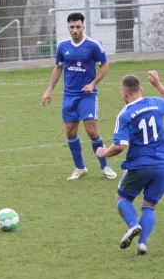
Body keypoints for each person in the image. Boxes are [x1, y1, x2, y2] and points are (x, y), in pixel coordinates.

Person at [95, 71, 164, 255]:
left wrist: (103, 152)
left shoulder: (125, 114)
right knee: (149, 206)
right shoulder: (156, 102)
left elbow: (119, 146)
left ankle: (133, 225)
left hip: (140, 165)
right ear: (141, 89)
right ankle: (142, 244)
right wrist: (157, 83)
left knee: (123, 198)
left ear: (124, 93)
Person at [42, 12, 117, 181]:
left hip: (87, 96)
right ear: (68, 27)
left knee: (91, 131)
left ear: (83, 27)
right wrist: (49, 90)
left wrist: (93, 84)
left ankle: (105, 166)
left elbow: (104, 66)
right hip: (69, 96)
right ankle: (80, 168)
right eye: (71, 27)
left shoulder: (93, 45)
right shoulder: (62, 46)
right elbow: (58, 68)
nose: (75, 30)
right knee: (70, 132)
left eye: (78, 27)